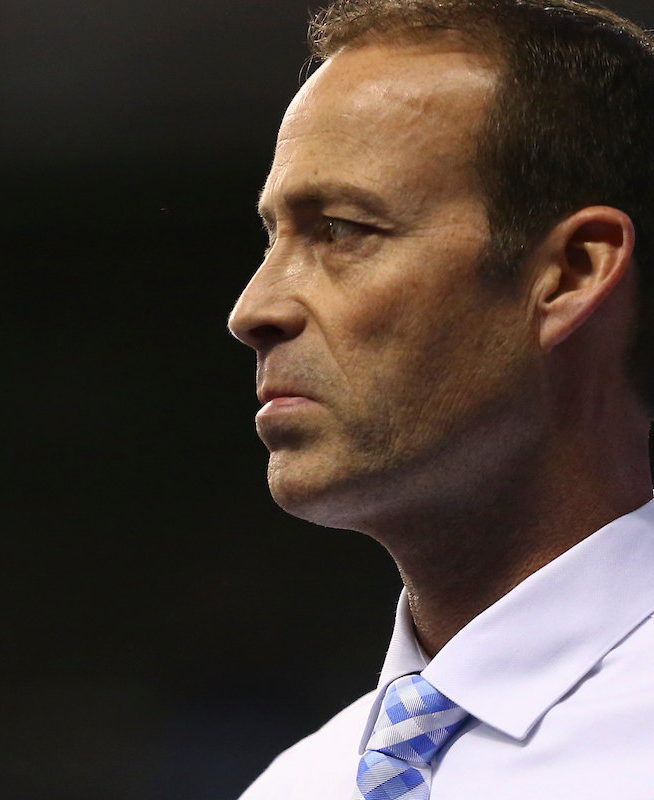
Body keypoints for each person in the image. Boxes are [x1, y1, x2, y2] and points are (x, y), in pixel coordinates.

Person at [226, 0, 654, 797]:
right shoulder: (297, 785)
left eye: (342, 229)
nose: (253, 310)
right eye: (272, 236)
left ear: (569, 274)